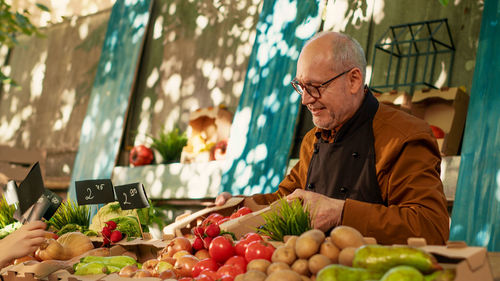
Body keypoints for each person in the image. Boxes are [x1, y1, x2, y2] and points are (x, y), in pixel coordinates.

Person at [216, 31, 450, 245]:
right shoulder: (313, 140)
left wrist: (340, 213)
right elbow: (283, 200)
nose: (305, 100)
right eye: (301, 86)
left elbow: (430, 227)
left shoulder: (404, 137)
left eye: (315, 86)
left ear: (354, 80)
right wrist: (237, 205)